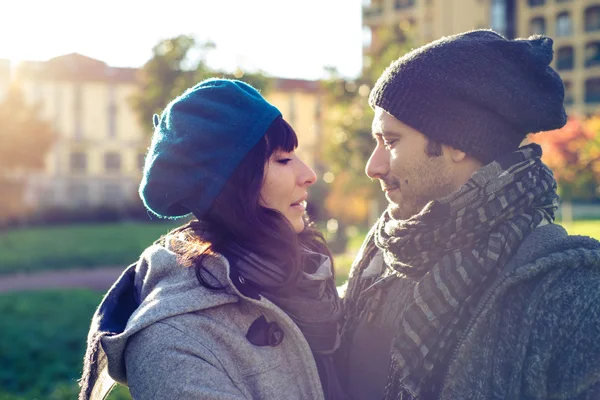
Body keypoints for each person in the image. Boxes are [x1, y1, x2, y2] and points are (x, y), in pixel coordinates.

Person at [337, 29, 600, 400]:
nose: (372, 166)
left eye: (391, 141)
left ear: (456, 142)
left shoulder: (569, 294)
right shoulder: (385, 251)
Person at [78, 78, 348, 400]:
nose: (309, 174)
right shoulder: (174, 340)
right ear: (234, 184)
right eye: (283, 159)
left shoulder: (307, 280)